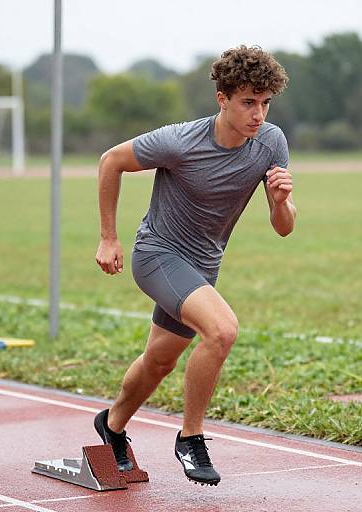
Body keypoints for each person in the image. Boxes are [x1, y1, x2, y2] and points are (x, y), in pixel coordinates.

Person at [93, 45, 297, 487]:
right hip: (157, 255)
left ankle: (110, 426)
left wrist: (281, 202)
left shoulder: (271, 142)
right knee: (221, 331)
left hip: (203, 266)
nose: (258, 114)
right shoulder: (180, 140)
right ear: (222, 98)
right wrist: (109, 237)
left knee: (159, 361)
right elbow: (112, 161)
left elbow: (284, 227)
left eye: (265, 103)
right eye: (248, 102)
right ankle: (191, 437)